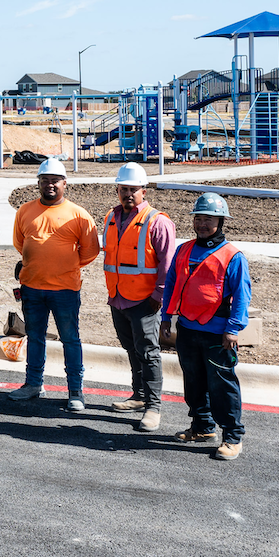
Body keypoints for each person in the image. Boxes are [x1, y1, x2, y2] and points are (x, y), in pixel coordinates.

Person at [161, 193, 251, 461]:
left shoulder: (232, 256)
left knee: (222, 386)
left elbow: (242, 297)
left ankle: (232, 437)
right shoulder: (184, 250)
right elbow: (172, 285)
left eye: (208, 219)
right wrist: (167, 316)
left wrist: (233, 329)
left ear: (220, 221)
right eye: (198, 218)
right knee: (194, 382)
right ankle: (202, 427)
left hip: (218, 334)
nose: (201, 224)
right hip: (188, 329)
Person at [8, 158, 100, 412]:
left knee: (70, 339)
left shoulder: (79, 215)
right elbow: (20, 243)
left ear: (64, 184)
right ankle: (33, 383)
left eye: (55, 181)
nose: (50, 185)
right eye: (45, 180)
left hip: (65, 290)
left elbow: (90, 251)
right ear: (38, 183)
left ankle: (75, 390)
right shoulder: (25, 211)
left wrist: (64, 265)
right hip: (32, 287)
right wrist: (39, 261)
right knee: (35, 336)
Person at [101, 162, 176, 432]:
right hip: (118, 297)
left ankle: (153, 407)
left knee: (149, 352)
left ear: (144, 191)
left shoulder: (158, 221)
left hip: (145, 300)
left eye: (133, 190)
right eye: (123, 189)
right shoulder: (111, 217)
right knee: (131, 348)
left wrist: (159, 294)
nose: (128, 194)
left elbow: (168, 264)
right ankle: (139, 395)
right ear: (117, 190)